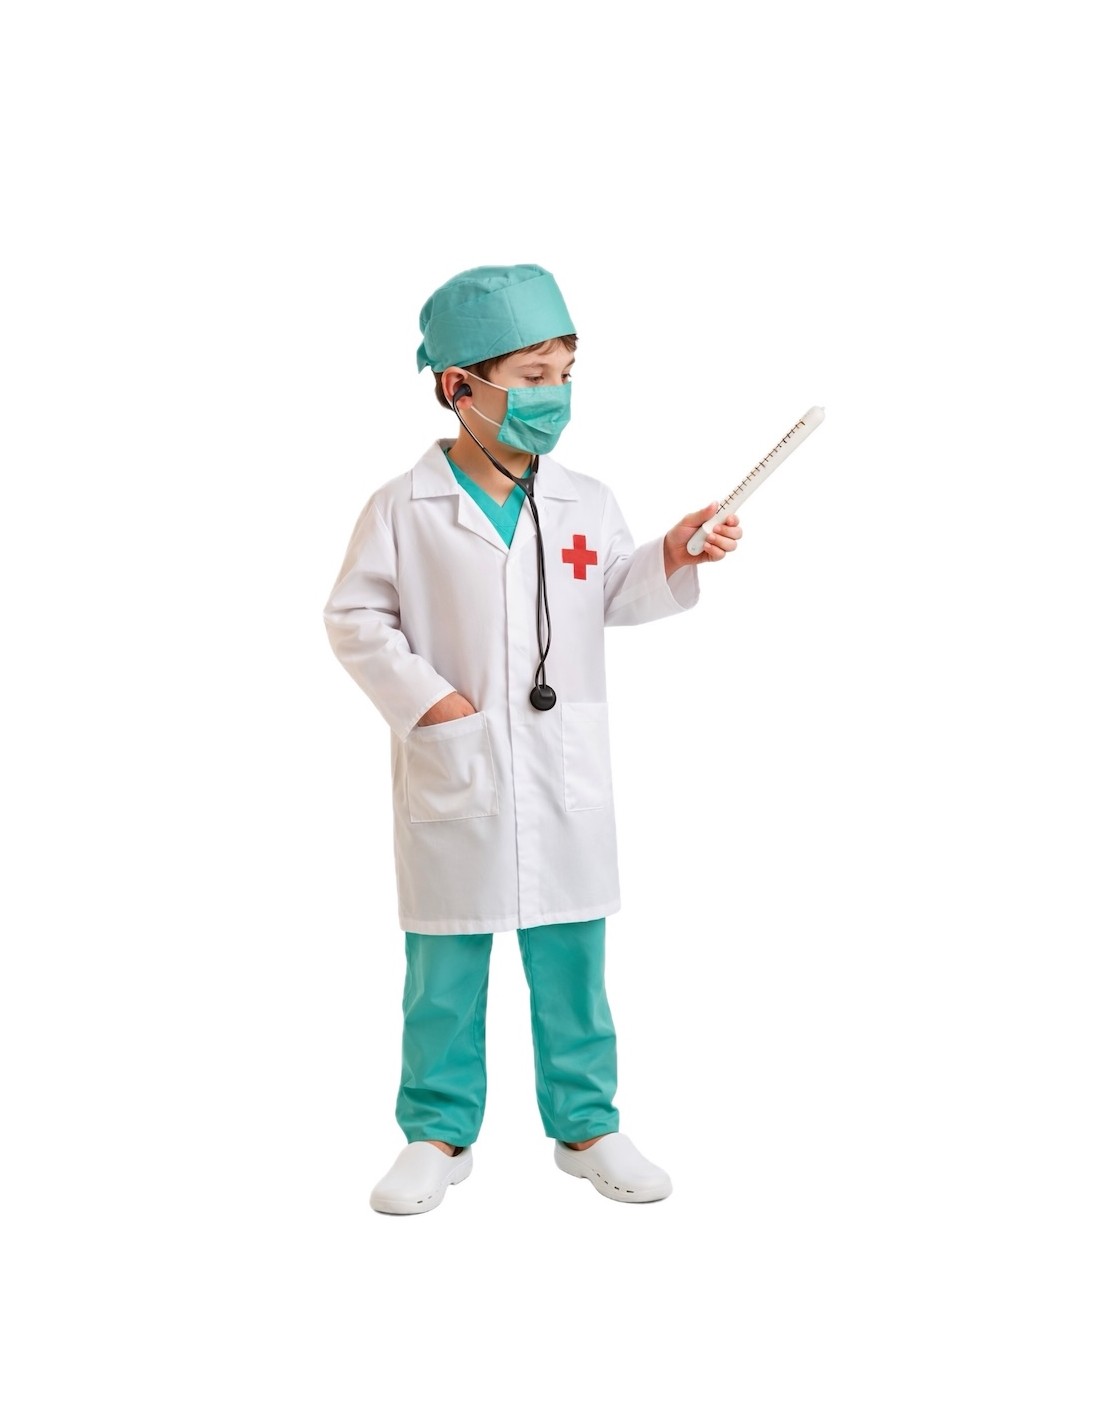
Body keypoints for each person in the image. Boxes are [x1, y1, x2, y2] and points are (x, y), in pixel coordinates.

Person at [323, 263, 741, 1214]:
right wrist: (434, 706)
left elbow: (613, 595)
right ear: (458, 386)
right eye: (532, 376)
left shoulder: (586, 501)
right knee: (444, 965)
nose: (555, 395)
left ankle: (587, 1127)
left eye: (566, 374)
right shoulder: (402, 507)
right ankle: (436, 1134)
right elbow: (355, 617)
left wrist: (673, 552)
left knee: (574, 962)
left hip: (562, 774)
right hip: (457, 766)